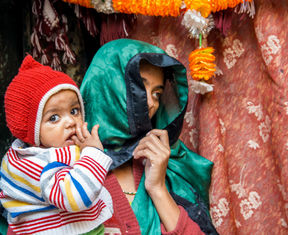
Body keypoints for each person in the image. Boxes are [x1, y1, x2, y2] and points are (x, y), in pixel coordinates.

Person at [80, 38, 217, 234]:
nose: (151, 103)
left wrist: (158, 189)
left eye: (157, 94)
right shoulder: (63, 167)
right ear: (107, 84)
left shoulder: (160, 164)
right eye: (139, 86)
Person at [0, 55, 113, 235]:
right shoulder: (35, 164)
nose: (70, 122)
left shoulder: (59, 150)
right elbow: (75, 197)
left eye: (74, 111)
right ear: (31, 130)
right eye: (53, 118)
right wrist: (93, 153)